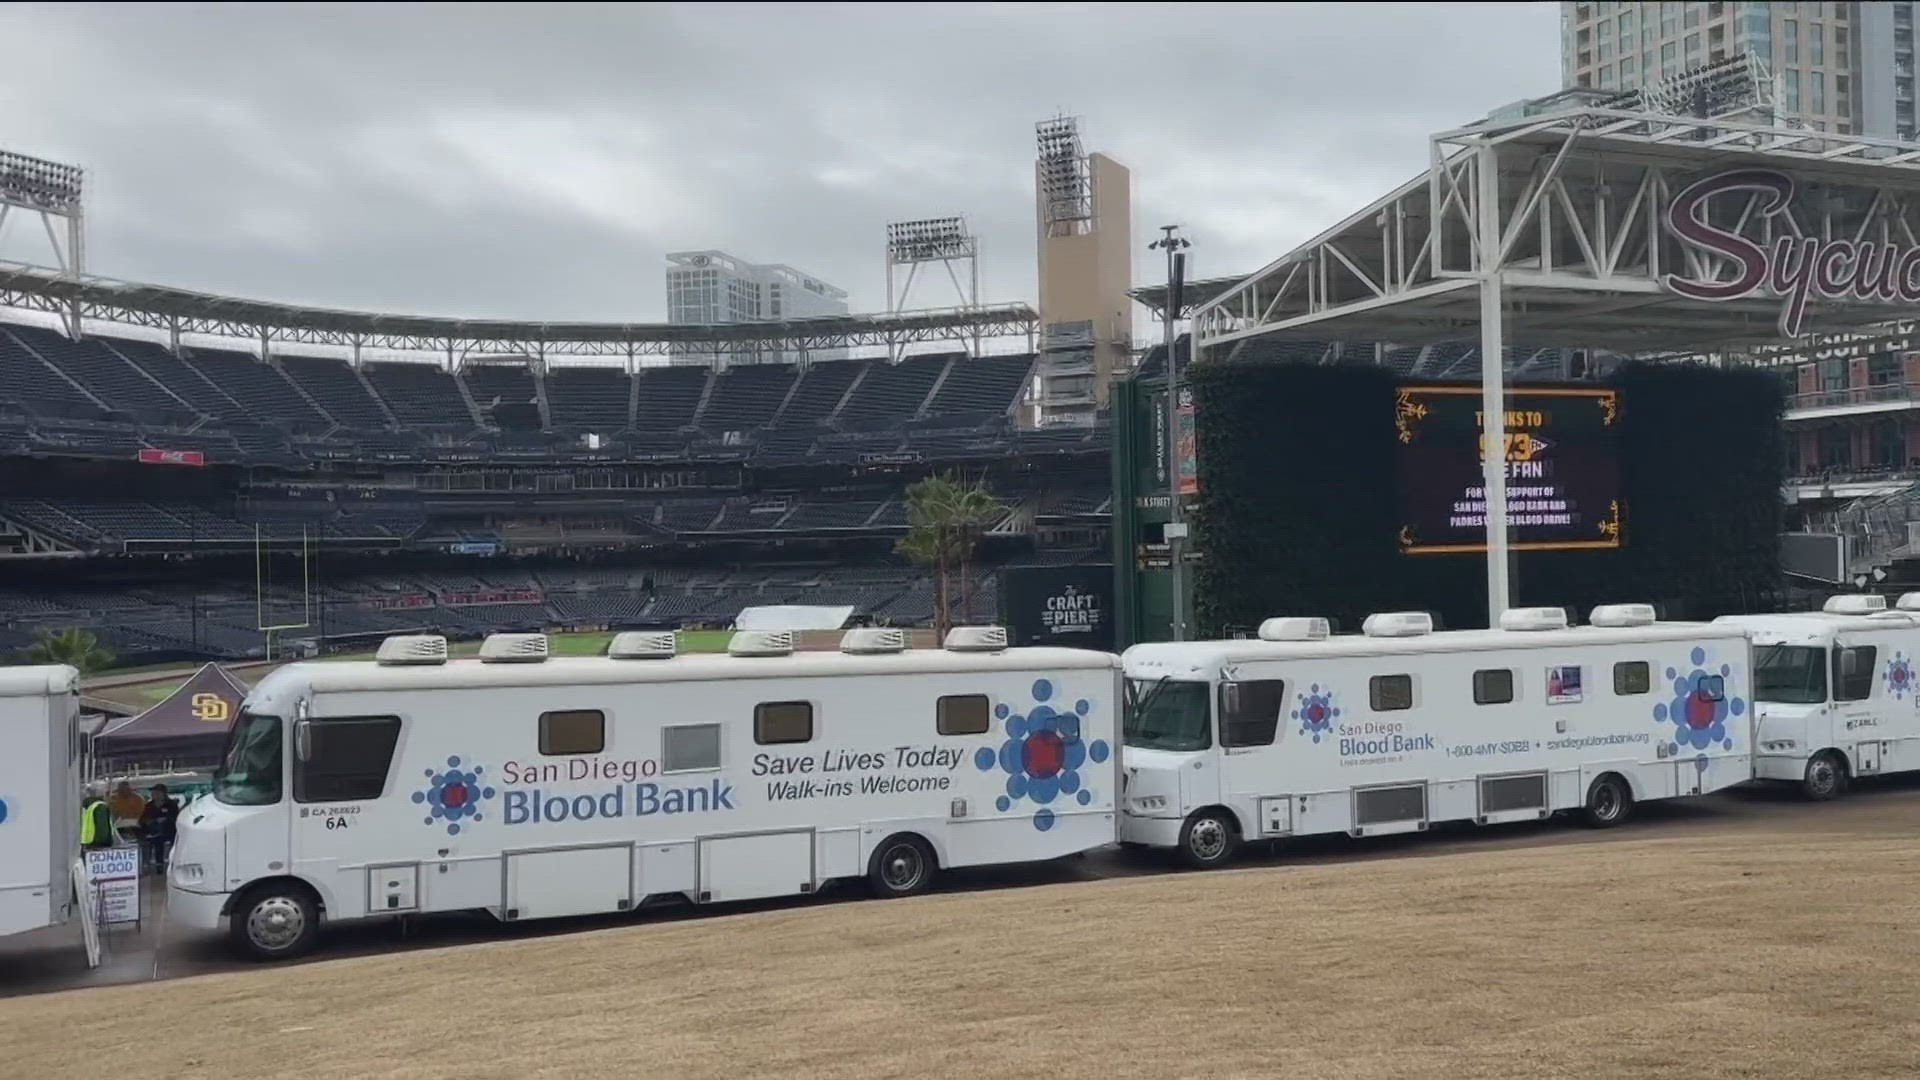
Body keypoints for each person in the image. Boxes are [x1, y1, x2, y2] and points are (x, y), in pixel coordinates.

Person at [138, 784, 181, 872]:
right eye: (153, 793)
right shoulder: (149, 805)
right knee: (155, 840)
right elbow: (142, 819)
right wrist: (148, 821)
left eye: (157, 792)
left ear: (163, 794)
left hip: (170, 830)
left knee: (169, 839)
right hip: (154, 831)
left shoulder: (171, 804)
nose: (155, 794)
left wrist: (165, 819)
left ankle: (173, 862)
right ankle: (154, 864)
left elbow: (176, 818)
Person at [79, 785, 113, 850]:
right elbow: (102, 828)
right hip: (98, 843)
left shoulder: (88, 807)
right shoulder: (100, 807)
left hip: (88, 843)